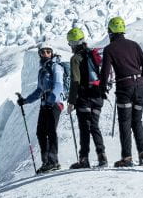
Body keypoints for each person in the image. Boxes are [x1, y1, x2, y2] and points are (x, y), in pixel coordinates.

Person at [99, 16, 143, 167]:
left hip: (124, 88)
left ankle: (127, 158)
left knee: (125, 123)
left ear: (111, 32)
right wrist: (142, 80)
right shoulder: (134, 45)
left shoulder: (109, 49)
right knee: (137, 121)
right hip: (140, 87)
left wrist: (102, 89)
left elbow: (105, 72)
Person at [17, 42, 66, 173]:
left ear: (52, 53)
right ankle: (46, 162)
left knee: (51, 132)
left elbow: (58, 86)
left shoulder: (56, 67)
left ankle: (53, 161)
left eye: (48, 51)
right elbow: (39, 91)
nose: (45, 54)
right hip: (45, 104)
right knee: (40, 132)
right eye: (43, 52)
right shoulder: (42, 71)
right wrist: (25, 101)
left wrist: (51, 101)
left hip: (54, 104)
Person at [65, 27, 108, 169]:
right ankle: (102, 156)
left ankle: (84, 159)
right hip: (98, 95)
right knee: (94, 126)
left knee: (84, 128)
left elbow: (75, 80)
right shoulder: (93, 54)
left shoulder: (75, 59)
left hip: (84, 97)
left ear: (73, 43)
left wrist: (71, 101)